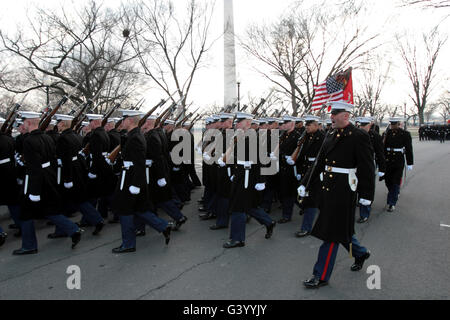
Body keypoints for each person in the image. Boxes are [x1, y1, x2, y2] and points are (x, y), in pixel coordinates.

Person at [298, 101, 374, 288]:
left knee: (330, 234)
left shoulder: (358, 136)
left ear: (346, 116)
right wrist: (305, 183)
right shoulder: (331, 134)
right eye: (331, 113)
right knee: (341, 231)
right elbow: (319, 162)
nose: (331, 117)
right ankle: (360, 253)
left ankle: (321, 275)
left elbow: (367, 167)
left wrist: (367, 194)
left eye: (336, 114)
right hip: (328, 189)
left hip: (344, 191)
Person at [13, 111, 82, 255]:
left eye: (24, 121)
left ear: (28, 123)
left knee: (26, 212)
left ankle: (29, 245)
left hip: (35, 180)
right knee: (48, 209)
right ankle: (72, 229)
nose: (22, 124)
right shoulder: (47, 137)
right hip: (49, 177)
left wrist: (34, 191)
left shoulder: (29, 141)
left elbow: (34, 167)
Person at [111, 110, 171, 253]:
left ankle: (128, 244)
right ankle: (163, 226)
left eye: (124, 119)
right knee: (139, 209)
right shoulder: (132, 135)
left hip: (131, 179)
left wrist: (136, 185)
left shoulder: (136, 137)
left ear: (130, 120)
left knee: (124, 210)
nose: (122, 122)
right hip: (131, 177)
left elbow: (139, 163)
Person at [222, 112, 276, 248]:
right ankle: (268, 222)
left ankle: (238, 238)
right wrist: (234, 171)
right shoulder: (240, 136)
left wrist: (261, 180)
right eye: (236, 122)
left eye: (239, 122)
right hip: (241, 174)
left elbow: (261, 160)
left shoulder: (252, 137)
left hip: (247, 176)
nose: (236, 124)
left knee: (238, 207)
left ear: (247, 123)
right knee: (249, 205)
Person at [294, 115, 324, 237]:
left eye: (309, 125)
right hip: (306, 169)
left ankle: (306, 228)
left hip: (315, 171)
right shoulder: (306, 136)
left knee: (311, 199)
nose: (306, 127)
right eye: (306, 124)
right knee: (305, 197)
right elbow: (302, 154)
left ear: (316, 125)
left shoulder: (322, 137)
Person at [356, 117, 386, 223]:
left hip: (368, 165)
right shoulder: (355, 134)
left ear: (370, 125)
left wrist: (382, 168)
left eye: (365, 125)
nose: (363, 127)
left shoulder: (375, 137)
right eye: (361, 125)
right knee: (355, 188)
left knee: (366, 189)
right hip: (355, 165)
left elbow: (380, 153)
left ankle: (364, 213)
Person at [382, 117, 413, 212]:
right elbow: (382, 148)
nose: (393, 126)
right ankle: (394, 193)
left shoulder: (405, 134)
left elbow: (408, 149)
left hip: (398, 160)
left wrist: (409, 162)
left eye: (394, 124)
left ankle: (391, 203)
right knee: (388, 181)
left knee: (395, 181)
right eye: (391, 124)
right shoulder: (386, 134)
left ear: (398, 124)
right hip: (388, 160)